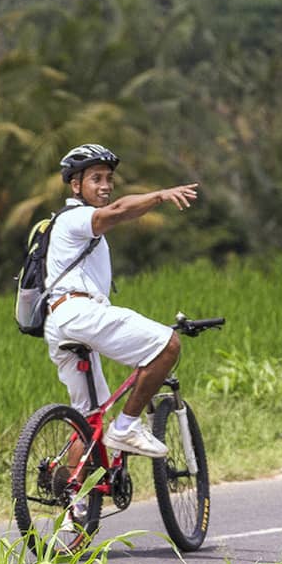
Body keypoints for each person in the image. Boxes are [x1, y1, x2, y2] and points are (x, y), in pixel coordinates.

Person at [43, 143, 198, 458]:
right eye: (96, 179)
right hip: (78, 312)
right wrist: (158, 196)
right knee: (167, 345)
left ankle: (75, 499)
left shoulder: (70, 224)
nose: (105, 186)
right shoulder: (75, 218)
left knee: (88, 418)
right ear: (76, 185)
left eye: (108, 179)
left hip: (59, 322)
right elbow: (114, 212)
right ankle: (126, 427)